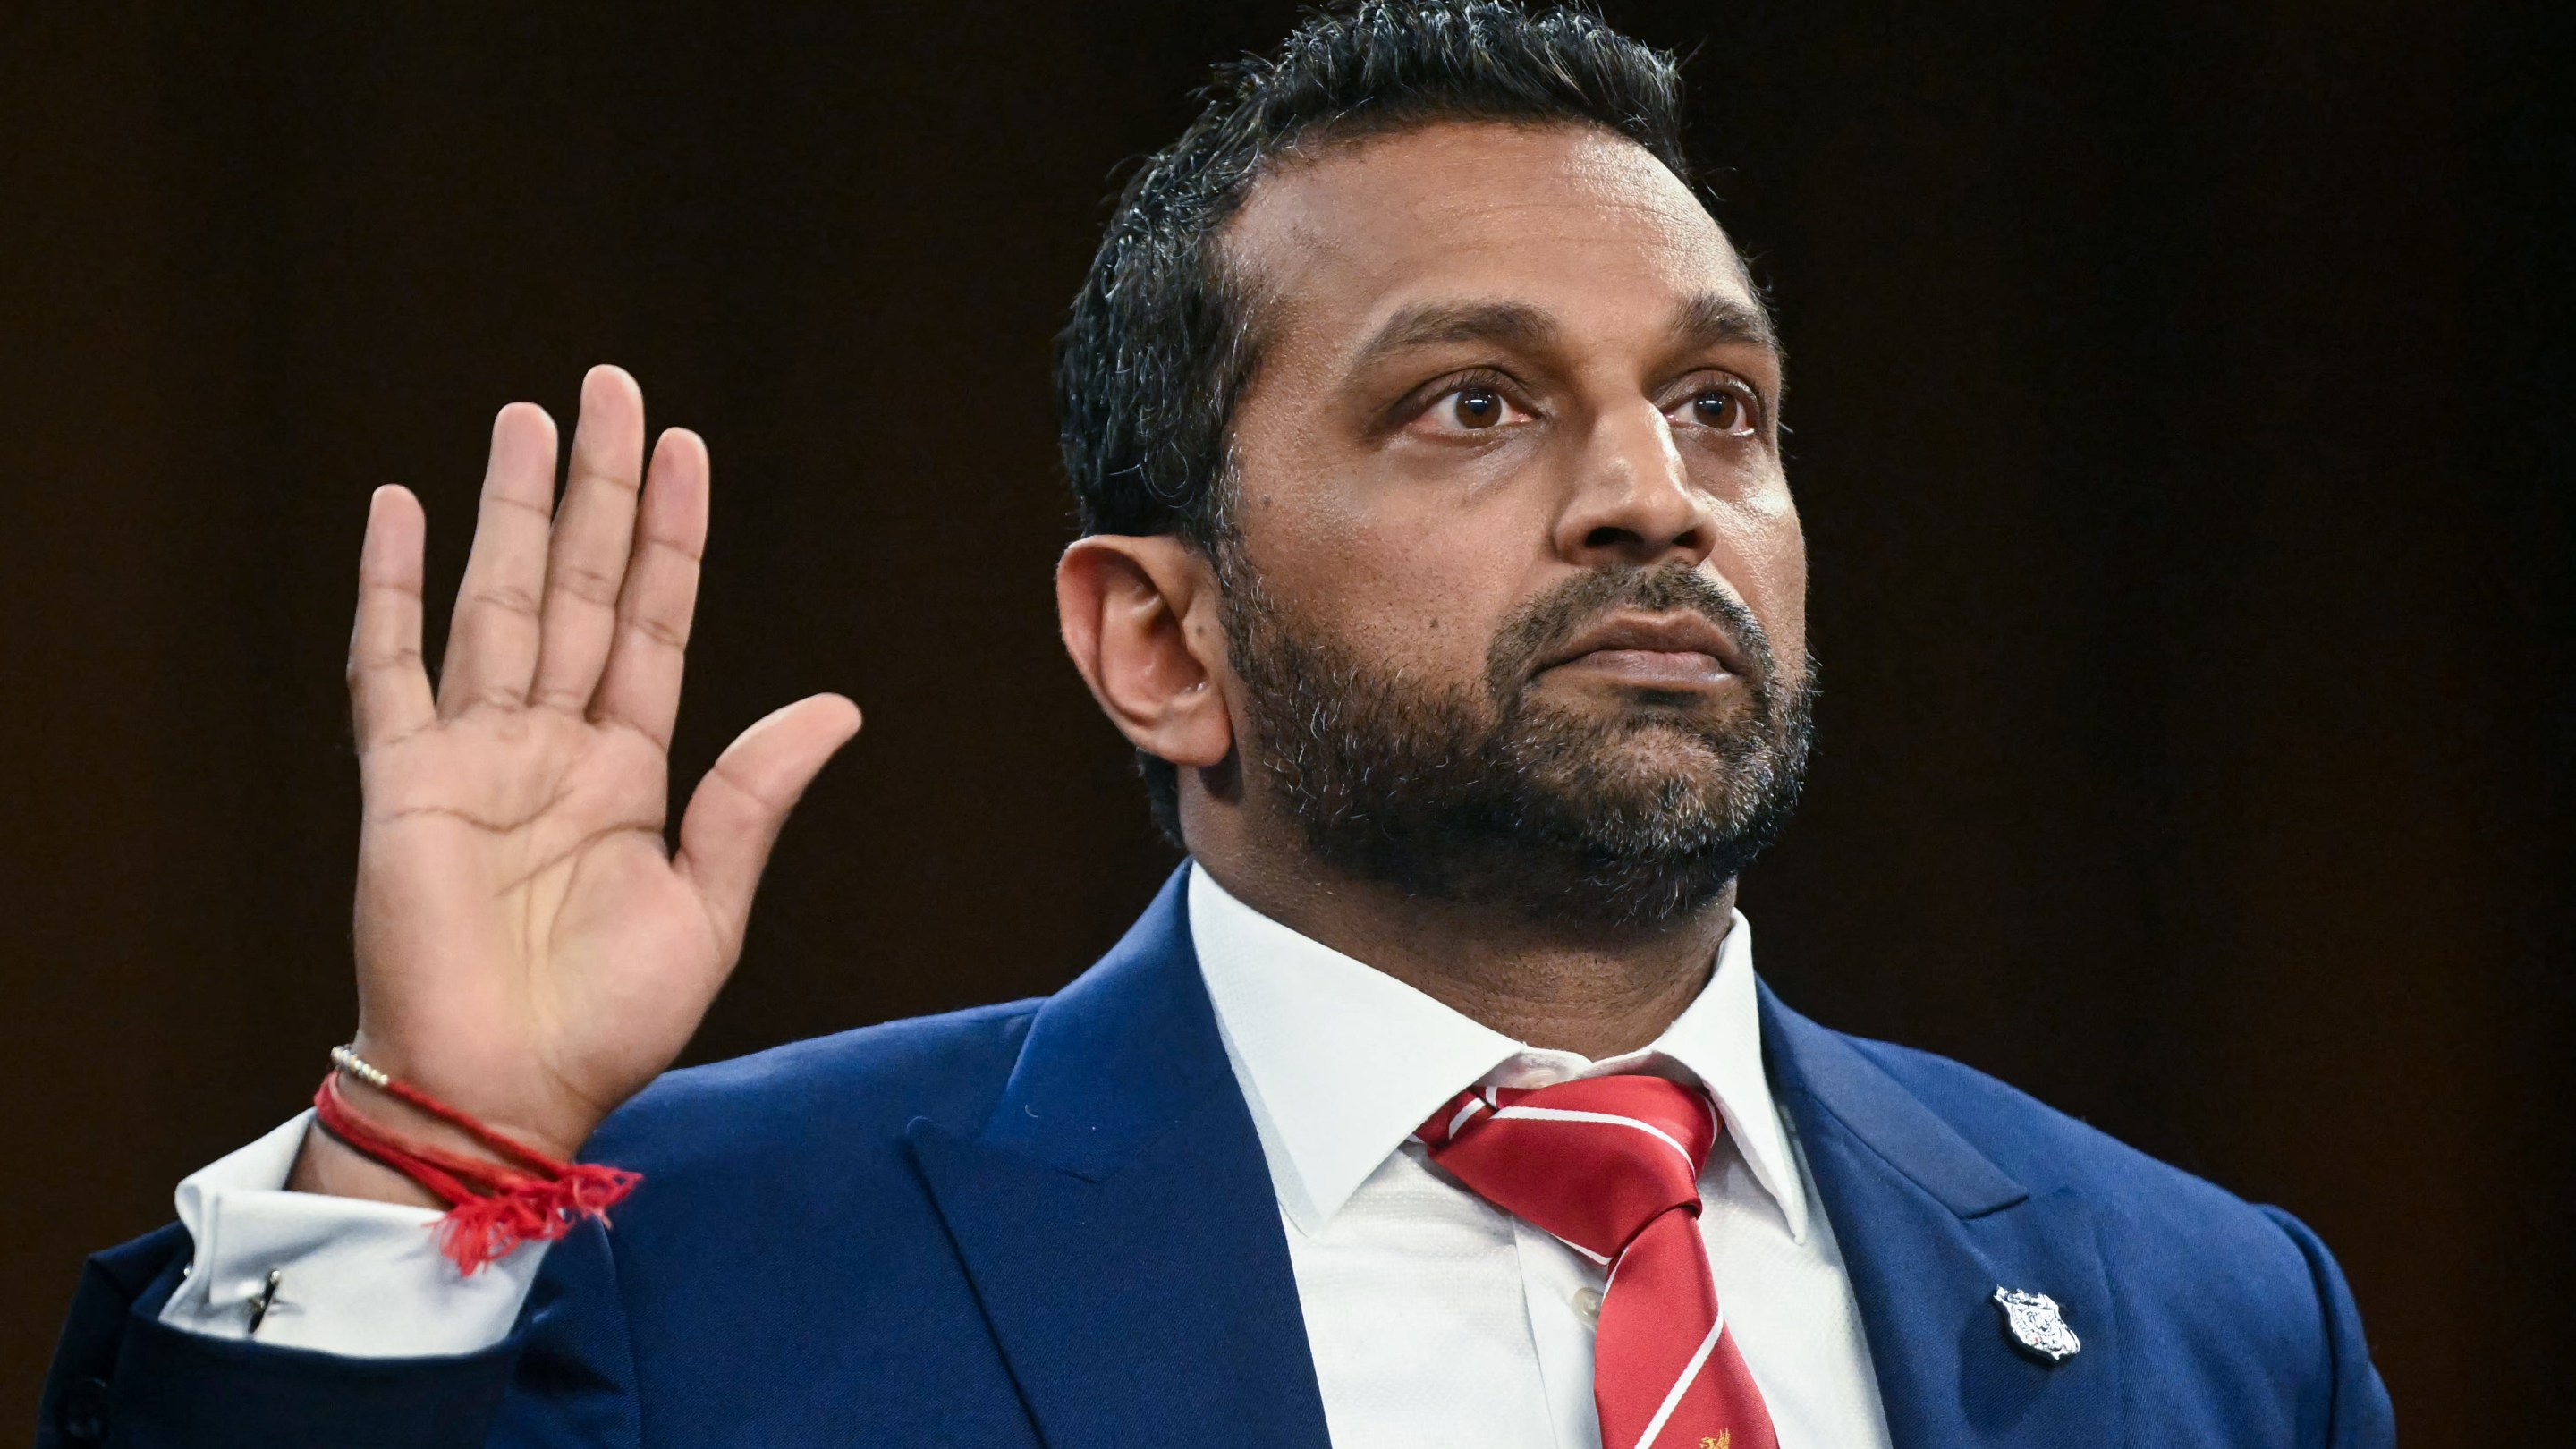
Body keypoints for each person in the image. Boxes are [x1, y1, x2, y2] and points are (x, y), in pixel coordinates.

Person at [38, 4, 2394, 1446]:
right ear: (1161, 639)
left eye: (1720, 403)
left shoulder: (2209, 1317)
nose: (1648, 497)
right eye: (1476, 402)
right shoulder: (698, 1270)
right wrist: (425, 1149)